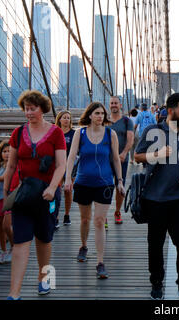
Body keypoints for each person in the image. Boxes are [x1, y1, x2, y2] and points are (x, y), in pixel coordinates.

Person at [135, 93, 179, 300]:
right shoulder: (152, 131)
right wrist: (156, 154)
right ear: (171, 110)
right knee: (155, 244)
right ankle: (156, 282)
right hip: (155, 199)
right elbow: (137, 156)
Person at [3, 90, 66, 299]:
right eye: (26, 109)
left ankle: (45, 278)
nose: (28, 113)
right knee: (21, 241)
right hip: (23, 194)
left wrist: (52, 187)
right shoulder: (18, 133)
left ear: (43, 109)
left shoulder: (56, 133)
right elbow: (11, 165)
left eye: (33, 108)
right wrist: (6, 193)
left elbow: (61, 165)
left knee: (44, 238)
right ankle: (14, 294)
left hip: (47, 194)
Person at [64, 102, 125, 279]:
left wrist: (119, 181)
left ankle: (100, 262)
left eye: (102, 114)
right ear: (90, 115)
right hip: (83, 182)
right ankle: (83, 245)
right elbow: (71, 157)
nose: (100, 116)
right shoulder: (80, 133)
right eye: (97, 113)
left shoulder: (110, 133)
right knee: (85, 219)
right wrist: (68, 178)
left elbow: (115, 158)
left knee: (99, 221)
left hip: (104, 183)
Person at [108, 96, 134, 224]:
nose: (113, 105)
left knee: (120, 185)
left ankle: (117, 212)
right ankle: (104, 214)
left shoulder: (126, 121)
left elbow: (130, 139)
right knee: (106, 186)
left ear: (120, 105)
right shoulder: (105, 121)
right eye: (111, 103)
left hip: (121, 159)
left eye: (116, 103)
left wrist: (124, 153)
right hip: (106, 159)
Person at [55, 110, 75, 226]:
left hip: (69, 166)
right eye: (64, 117)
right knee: (56, 191)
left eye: (68, 118)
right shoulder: (55, 132)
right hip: (57, 166)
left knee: (68, 191)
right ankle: (55, 216)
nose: (66, 120)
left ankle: (67, 215)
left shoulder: (73, 134)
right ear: (59, 119)